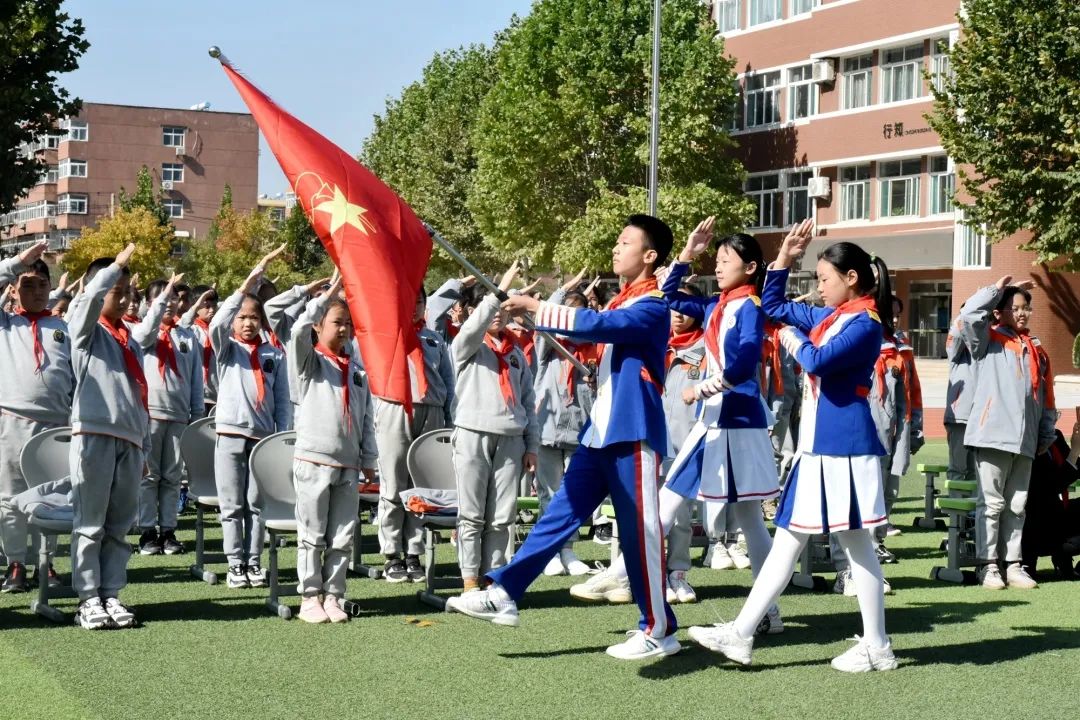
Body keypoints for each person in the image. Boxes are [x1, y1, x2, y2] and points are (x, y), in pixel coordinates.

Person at [446, 214, 678, 662]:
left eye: (625, 241)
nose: (616, 247)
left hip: (633, 432)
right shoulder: (625, 302)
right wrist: (533, 319)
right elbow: (591, 330)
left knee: (639, 533)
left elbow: (599, 327)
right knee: (558, 515)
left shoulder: (651, 304)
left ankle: (658, 627)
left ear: (650, 256)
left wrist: (535, 308)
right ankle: (506, 590)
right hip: (602, 430)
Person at [688, 221, 898, 673]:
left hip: (841, 448)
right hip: (820, 448)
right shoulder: (835, 316)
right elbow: (777, 305)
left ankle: (749, 634)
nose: (819, 289)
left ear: (852, 278)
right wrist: (784, 257)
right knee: (811, 543)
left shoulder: (864, 323)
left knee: (831, 545)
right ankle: (749, 634)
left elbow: (817, 359)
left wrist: (792, 338)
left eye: (824, 279)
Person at [657, 224, 781, 628]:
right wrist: (687, 253)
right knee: (749, 517)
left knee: (669, 503)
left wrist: (702, 389)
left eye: (726, 260)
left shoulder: (749, 306)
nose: (719, 265)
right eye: (718, 259)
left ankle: (631, 584)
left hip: (727, 419)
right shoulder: (717, 304)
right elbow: (671, 297)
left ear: (750, 267)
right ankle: (767, 611)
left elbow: (744, 365)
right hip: (725, 419)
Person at [288, 272, 378, 623]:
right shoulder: (309, 362)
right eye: (336, 323)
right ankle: (310, 596)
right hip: (313, 459)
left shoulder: (357, 369)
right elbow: (297, 331)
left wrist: (368, 457)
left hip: (349, 463)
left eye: (348, 324)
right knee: (312, 532)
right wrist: (329, 295)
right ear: (319, 325)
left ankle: (334, 595)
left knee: (342, 534)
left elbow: (366, 416)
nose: (344, 330)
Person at [68, 243, 150, 630]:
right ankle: (87, 598)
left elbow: (138, 394)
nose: (124, 299)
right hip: (94, 434)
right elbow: (87, 301)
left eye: (128, 293)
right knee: (90, 522)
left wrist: (144, 443)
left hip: (129, 440)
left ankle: (111, 593)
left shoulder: (128, 339)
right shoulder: (84, 331)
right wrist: (114, 267)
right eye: (117, 292)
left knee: (119, 526)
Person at [959, 276, 1056, 590]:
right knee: (991, 504)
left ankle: (1013, 563)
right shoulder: (987, 339)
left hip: (1025, 440)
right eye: (1015, 308)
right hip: (993, 434)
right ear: (1000, 312)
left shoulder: (1035, 350)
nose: (1023, 314)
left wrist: (1046, 434)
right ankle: (987, 565)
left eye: (1026, 308)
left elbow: (1046, 397)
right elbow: (969, 315)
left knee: (1017, 505)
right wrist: (992, 290)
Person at [449, 261, 539, 591]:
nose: (497, 314)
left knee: (502, 516)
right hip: (473, 433)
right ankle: (470, 580)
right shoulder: (465, 346)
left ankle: (494, 578)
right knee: (472, 515)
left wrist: (532, 445)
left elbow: (529, 402)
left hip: (511, 439)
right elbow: (473, 330)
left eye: (502, 307)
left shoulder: (515, 352)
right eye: (489, 308)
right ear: (472, 311)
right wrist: (494, 294)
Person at [210, 247, 293, 589]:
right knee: (231, 504)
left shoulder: (275, 353)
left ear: (262, 322)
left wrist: (282, 438)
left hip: (261, 439)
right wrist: (244, 289)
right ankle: (234, 564)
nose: (247, 323)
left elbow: (283, 401)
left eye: (253, 318)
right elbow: (217, 321)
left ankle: (254, 561)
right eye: (242, 317)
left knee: (256, 504)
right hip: (230, 435)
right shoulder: (225, 349)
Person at [0, 241, 72, 593]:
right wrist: (17, 263)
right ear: (13, 289)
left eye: (43, 285)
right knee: (10, 495)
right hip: (12, 420)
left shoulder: (64, 328)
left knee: (51, 495)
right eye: (28, 285)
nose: (37, 292)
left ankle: (47, 563)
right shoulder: (5, 324)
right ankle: (16, 562)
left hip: (56, 424)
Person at [375, 284, 456, 583]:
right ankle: (391, 553)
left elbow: (448, 383)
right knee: (394, 483)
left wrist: (449, 420)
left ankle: (414, 552)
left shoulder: (434, 339)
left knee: (421, 486)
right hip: (397, 409)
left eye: (419, 301)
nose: (414, 307)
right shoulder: (387, 336)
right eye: (408, 301)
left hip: (431, 410)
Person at [533, 270, 596, 577]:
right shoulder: (549, 345)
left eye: (579, 315)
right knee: (548, 493)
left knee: (572, 494)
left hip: (580, 430)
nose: (573, 320)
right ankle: (549, 552)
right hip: (547, 429)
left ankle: (568, 548)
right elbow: (545, 316)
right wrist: (563, 291)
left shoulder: (593, 349)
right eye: (568, 314)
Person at [135, 276, 204, 556]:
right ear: (150, 304)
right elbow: (143, 339)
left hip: (177, 415)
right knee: (149, 477)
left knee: (173, 476)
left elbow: (195, 379)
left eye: (173, 298)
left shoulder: (186, 335)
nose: (169, 303)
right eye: (161, 299)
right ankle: (147, 531)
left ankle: (169, 530)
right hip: (149, 413)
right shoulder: (143, 331)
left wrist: (196, 415)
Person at [1022, 424, 1080, 579]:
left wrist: (1077, 449)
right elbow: (1052, 485)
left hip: (1056, 512)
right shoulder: (1027, 438)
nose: (1053, 418)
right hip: (1035, 522)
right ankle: (1060, 555)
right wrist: (1075, 451)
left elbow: (1076, 467)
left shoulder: (1056, 435)